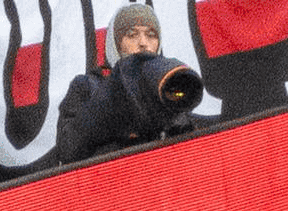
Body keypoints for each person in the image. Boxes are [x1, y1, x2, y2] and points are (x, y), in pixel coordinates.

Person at [55, 3, 199, 164]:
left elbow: (189, 152)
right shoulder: (86, 86)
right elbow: (67, 150)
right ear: (115, 43)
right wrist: (113, 92)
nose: (143, 43)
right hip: (110, 183)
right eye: (132, 35)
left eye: (151, 35)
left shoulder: (167, 83)